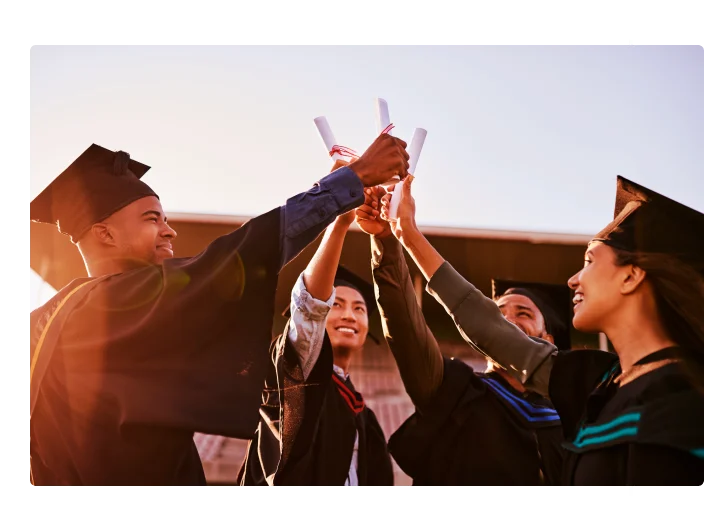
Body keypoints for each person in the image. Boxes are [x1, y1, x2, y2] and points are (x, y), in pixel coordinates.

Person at [28, 135, 409, 487]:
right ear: (105, 234)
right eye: (152, 219)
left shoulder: (51, 319)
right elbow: (241, 254)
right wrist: (348, 182)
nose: (169, 231)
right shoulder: (114, 302)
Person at [379, 175, 704, 486]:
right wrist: (406, 233)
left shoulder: (688, 395)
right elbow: (487, 326)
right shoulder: (595, 383)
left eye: (590, 261)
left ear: (630, 277)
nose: (573, 279)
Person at [352, 183, 569, 486]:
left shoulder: (570, 420)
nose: (506, 321)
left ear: (548, 340)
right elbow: (405, 327)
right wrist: (386, 241)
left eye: (524, 313)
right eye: (499, 312)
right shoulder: (454, 390)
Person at [237, 182, 394, 486]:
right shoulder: (297, 379)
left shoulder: (365, 416)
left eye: (360, 309)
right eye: (337, 305)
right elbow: (309, 311)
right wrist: (340, 224)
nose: (350, 315)